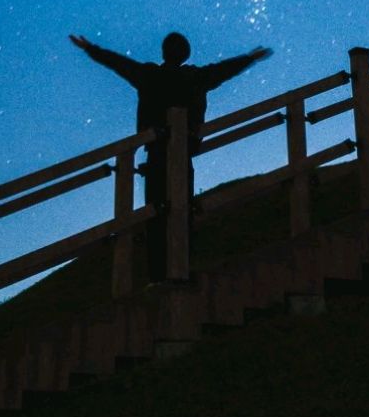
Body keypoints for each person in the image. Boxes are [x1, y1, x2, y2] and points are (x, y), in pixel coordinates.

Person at [69, 31, 272, 279]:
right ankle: (181, 267)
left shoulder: (150, 75)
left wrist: (90, 48)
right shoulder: (195, 77)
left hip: (155, 154)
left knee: (156, 212)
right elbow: (223, 70)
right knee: (181, 210)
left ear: (163, 52)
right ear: (186, 54)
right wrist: (249, 58)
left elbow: (120, 64)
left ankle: (158, 274)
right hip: (183, 152)